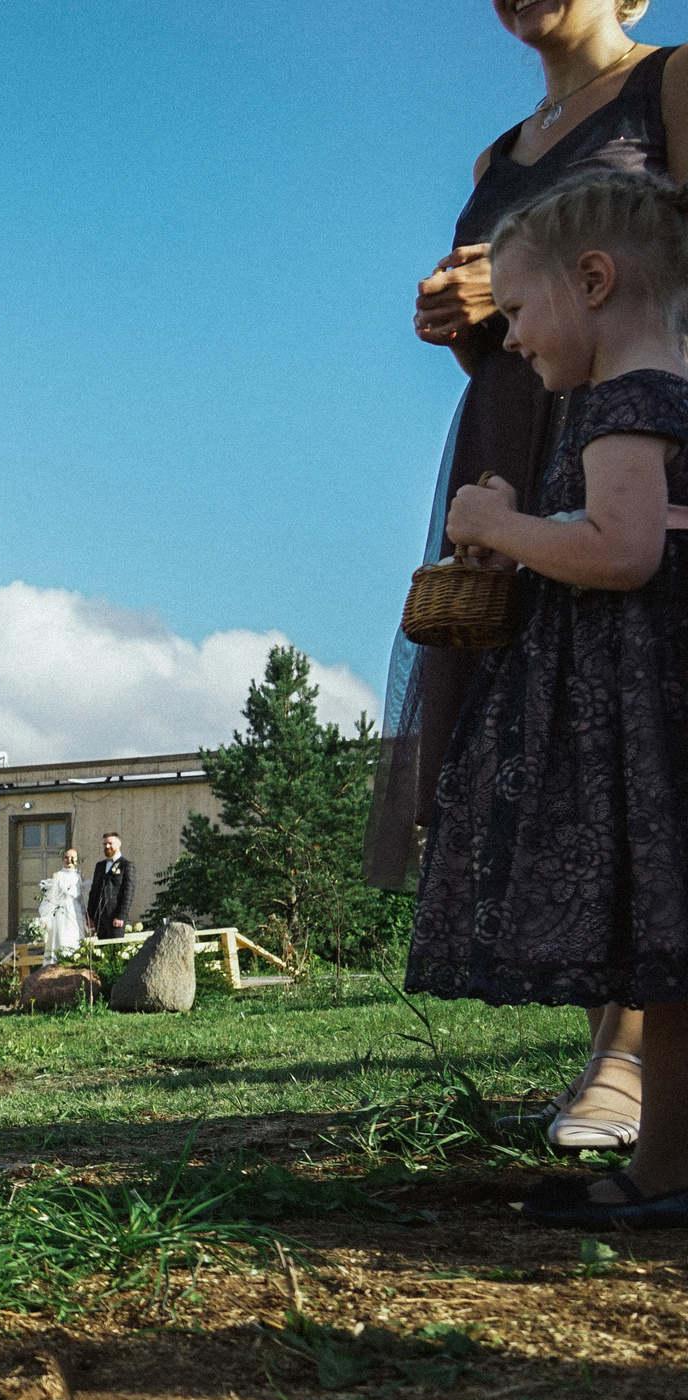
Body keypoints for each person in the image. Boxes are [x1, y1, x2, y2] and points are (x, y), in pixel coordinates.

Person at [374, 0, 684, 1144]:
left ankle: (635, 1054)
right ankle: (608, 1043)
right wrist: (471, 319)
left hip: (629, 424)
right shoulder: (497, 152)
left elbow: (666, 263)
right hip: (517, 422)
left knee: (635, 720)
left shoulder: (673, 81)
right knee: (550, 720)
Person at [414, 169, 688, 1229]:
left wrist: (495, 528)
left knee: (664, 952)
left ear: (594, 279)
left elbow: (618, 555)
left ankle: (664, 1174)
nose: (514, 340)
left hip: (642, 698)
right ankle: (664, 1163)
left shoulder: (625, 401)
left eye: (522, 311)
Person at [37, 847, 85, 962]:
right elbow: (51, 898)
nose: (69, 860)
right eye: (66, 857)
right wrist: (45, 917)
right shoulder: (57, 875)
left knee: (75, 940)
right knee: (61, 940)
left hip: (75, 912)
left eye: (72, 858)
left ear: (77, 860)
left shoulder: (79, 877)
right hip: (60, 913)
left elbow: (82, 899)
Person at [84, 833, 134, 939]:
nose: (107, 847)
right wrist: (90, 916)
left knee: (115, 951)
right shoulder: (99, 866)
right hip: (100, 919)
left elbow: (128, 893)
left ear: (119, 844)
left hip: (116, 918)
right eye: (104, 844)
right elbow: (94, 892)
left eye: (110, 843)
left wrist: (121, 916)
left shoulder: (126, 865)